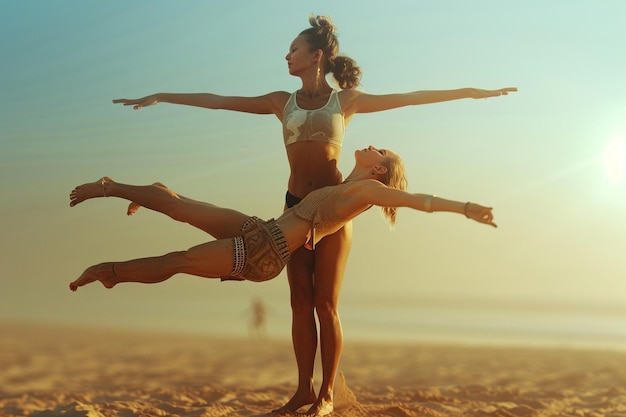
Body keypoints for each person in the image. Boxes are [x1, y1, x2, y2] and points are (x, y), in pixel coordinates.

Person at [112, 14, 514, 415]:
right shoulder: (278, 102)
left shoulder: (347, 101)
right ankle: (303, 390)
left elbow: (413, 96)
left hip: (334, 213)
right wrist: (162, 96)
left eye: (294, 49)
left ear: (316, 55)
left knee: (326, 305)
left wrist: (477, 93)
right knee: (299, 302)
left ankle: (326, 397)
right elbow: (219, 101)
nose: (287, 56)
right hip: (294, 208)